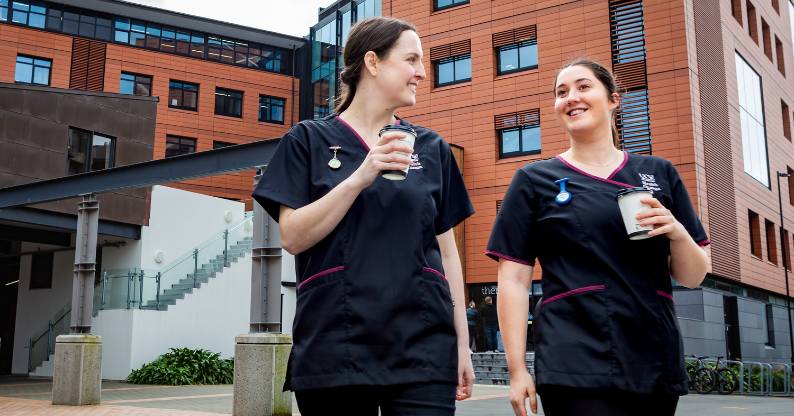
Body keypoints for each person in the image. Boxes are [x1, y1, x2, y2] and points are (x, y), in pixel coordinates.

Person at [252, 17, 475, 415]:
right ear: (373, 63)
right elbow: (292, 236)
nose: (422, 73)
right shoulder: (307, 141)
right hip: (336, 347)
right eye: (411, 60)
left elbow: (449, 253)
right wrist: (360, 176)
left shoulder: (432, 148)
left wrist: (462, 342)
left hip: (423, 346)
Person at [485, 58, 711, 416]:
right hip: (572, 355)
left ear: (613, 100)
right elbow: (513, 280)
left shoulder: (658, 173)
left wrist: (677, 231)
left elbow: (693, 274)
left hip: (652, 352)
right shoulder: (534, 180)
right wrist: (517, 370)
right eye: (562, 92)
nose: (571, 97)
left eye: (583, 86)